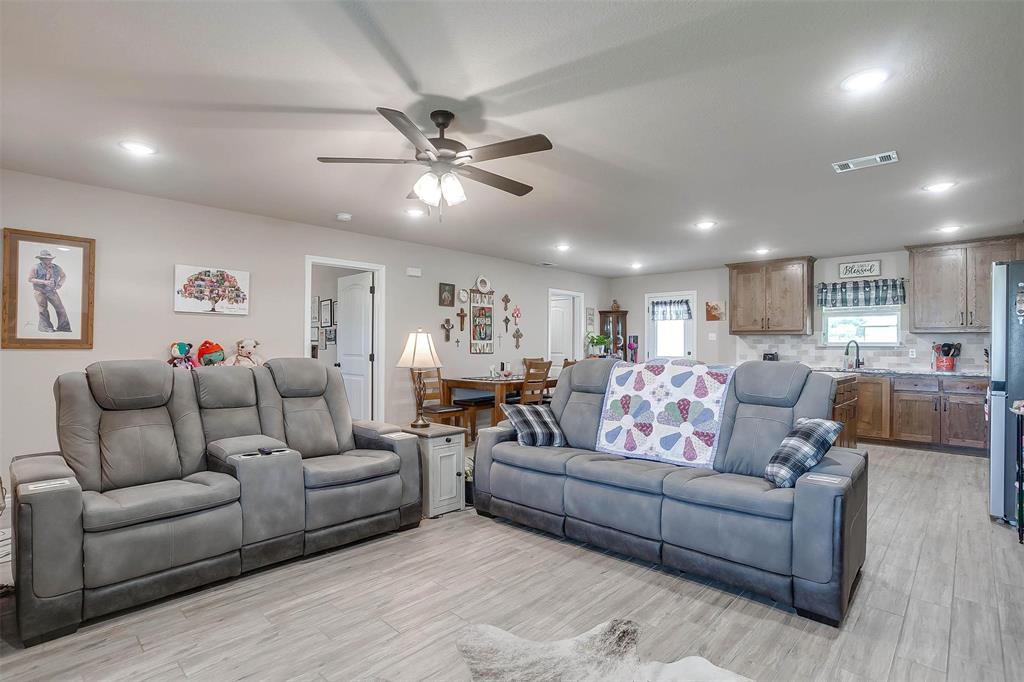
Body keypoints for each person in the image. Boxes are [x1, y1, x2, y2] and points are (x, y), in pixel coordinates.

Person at [27, 249, 71, 333]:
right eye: (46, 258)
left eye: (49, 258)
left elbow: (63, 276)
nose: (48, 260)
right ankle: (45, 327)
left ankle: (64, 327)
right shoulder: (35, 267)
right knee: (43, 309)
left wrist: (59, 285)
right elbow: (30, 279)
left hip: (52, 291)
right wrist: (44, 282)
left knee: (60, 308)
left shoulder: (57, 268)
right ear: (41, 259)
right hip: (39, 291)